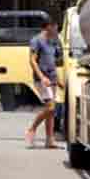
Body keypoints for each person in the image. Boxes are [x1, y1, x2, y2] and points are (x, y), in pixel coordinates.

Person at [26, 18, 62, 149]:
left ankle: (49, 140)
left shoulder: (52, 42)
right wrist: (42, 77)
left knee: (51, 112)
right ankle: (32, 128)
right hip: (42, 79)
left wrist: (58, 81)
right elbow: (32, 61)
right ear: (48, 26)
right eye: (56, 28)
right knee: (51, 107)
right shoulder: (36, 41)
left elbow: (53, 63)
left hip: (52, 79)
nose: (57, 30)